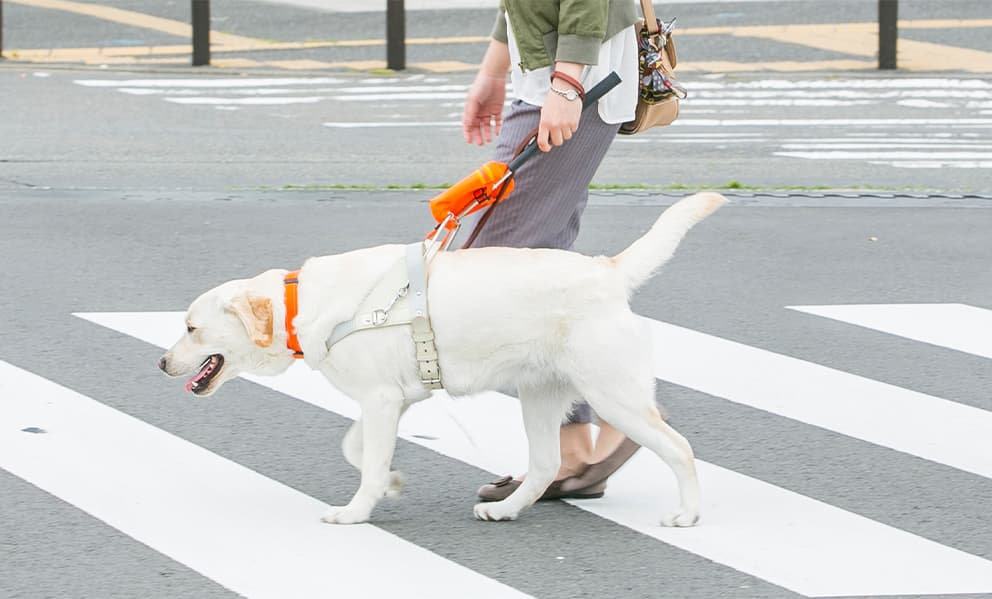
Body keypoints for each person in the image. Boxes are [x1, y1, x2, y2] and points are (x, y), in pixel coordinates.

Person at [459, 0, 643, 501]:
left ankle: (620, 412)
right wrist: (495, 73)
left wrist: (566, 85)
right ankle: (574, 446)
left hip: (573, 83)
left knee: (498, 262)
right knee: (540, 272)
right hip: (550, 79)